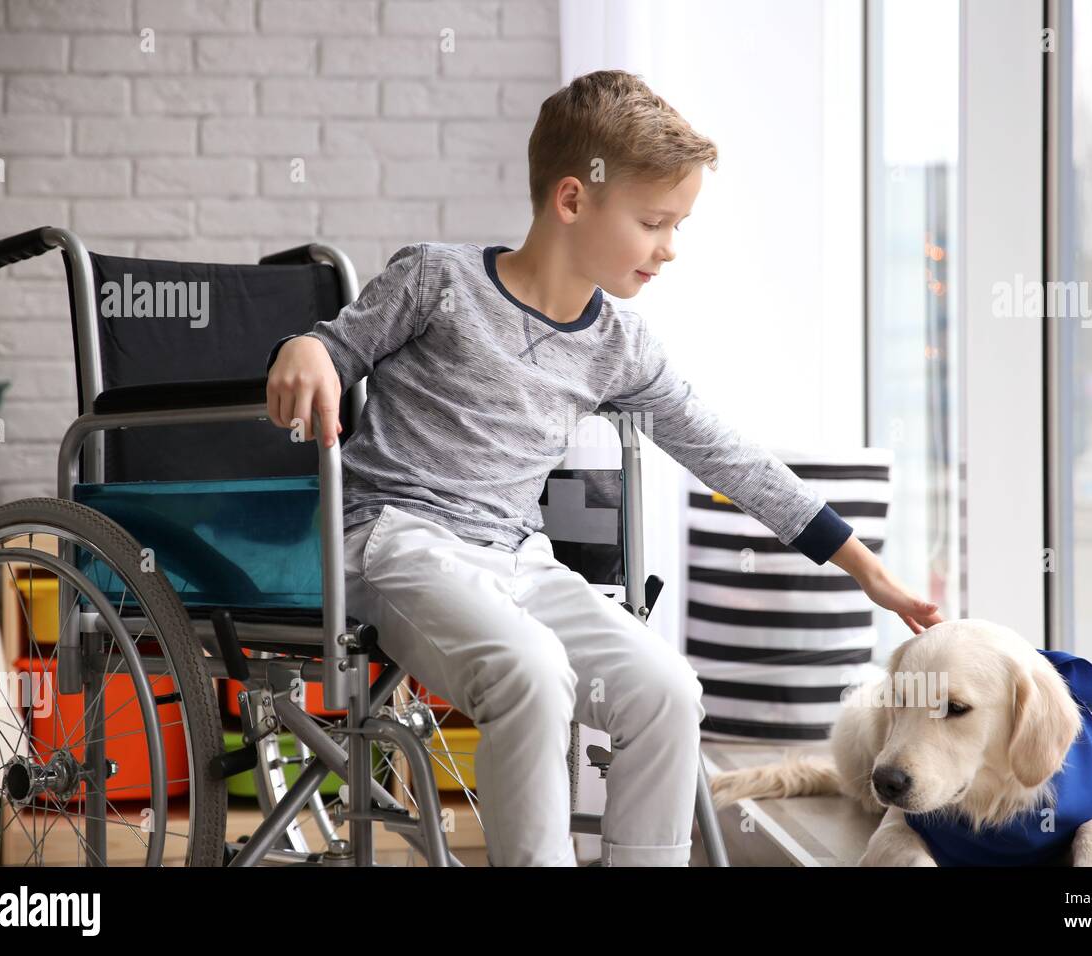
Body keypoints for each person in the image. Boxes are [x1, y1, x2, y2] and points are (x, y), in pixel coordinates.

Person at [265, 69, 944, 866]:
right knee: (531, 669)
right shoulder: (437, 278)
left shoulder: (620, 345)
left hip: (518, 559)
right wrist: (305, 347)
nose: (670, 249)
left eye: (678, 225)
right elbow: (334, 345)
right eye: (655, 222)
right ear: (573, 199)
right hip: (394, 537)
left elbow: (726, 453)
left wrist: (865, 569)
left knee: (666, 691)